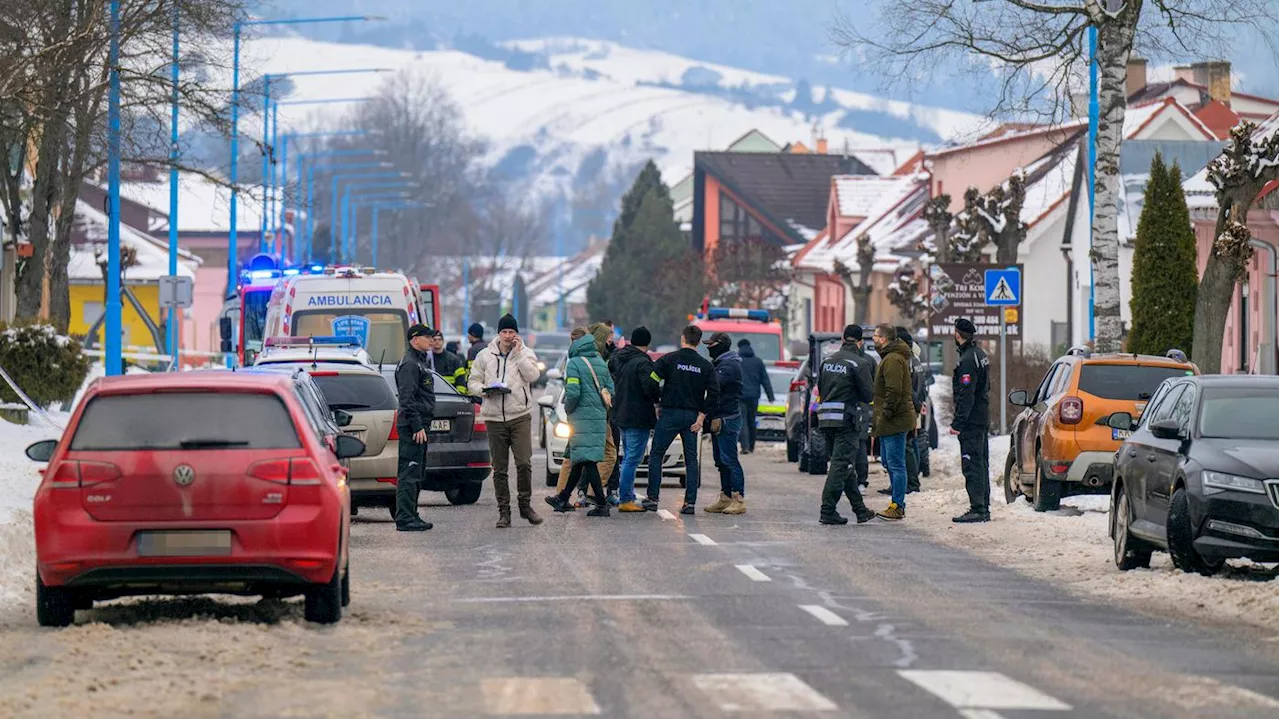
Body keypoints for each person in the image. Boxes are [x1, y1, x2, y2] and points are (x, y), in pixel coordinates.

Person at [468, 313, 543, 529]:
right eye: (504, 332)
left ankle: (525, 505)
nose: (508, 336)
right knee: (499, 468)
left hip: (519, 415)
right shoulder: (485, 355)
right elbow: (472, 381)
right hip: (494, 416)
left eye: (511, 332)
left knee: (524, 462)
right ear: (498, 333)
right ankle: (504, 511)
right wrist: (484, 390)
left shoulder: (526, 353)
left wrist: (518, 356)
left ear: (516, 334)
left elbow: (532, 377)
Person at [644, 325, 720, 515]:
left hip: (669, 413)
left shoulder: (669, 359)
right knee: (691, 461)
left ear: (682, 338)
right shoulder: (705, 366)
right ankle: (689, 504)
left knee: (656, 455)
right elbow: (714, 393)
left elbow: (651, 381)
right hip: (692, 417)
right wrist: (702, 416)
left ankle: (653, 499)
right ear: (698, 341)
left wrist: (656, 402)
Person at [545, 329, 615, 517]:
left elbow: (573, 392)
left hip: (580, 419)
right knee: (580, 459)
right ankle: (563, 498)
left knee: (587, 461)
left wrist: (568, 408)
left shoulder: (574, 363)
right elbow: (611, 389)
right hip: (598, 418)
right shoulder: (600, 361)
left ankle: (601, 504)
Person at [816, 324, 877, 525]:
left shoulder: (827, 361)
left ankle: (860, 510)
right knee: (840, 465)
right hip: (846, 421)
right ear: (860, 342)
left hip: (825, 420)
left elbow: (820, 389)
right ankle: (828, 509)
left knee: (846, 465)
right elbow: (868, 395)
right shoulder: (858, 363)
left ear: (843, 339)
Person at [611, 327, 661, 513]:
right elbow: (650, 388)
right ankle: (626, 499)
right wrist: (659, 397)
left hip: (621, 414)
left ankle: (627, 495)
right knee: (633, 458)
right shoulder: (643, 362)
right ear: (647, 343)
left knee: (627, 458)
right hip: (637, 416)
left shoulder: (620, 358)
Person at [393, 324, 437, 532]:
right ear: (415, 339)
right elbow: (407, 399)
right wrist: (417, 425)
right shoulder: (410, 364)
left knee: (417, 471)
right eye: (427, 337)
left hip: (419, 426)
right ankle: (405, 518)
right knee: (409, 472)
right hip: (413, 427)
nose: (431, 340)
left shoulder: (419, 362)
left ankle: (412, 513)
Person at [871, 324, 916, 521]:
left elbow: (894, 391)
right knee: (889, 462)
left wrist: (886, 414)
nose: (873, 339)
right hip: (890, 419)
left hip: (895, 420)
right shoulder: (889, 357)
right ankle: (895, 503)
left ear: (884, 339)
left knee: (896, 464)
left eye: (875, 335)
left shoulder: (893, 360)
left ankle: (898, 505)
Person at [951, 317, 992, 523]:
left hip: (972, 421)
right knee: (981, 462)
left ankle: (978, 508)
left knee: (972, 464)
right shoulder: (979, 354)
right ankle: (983, 506)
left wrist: (958, 423)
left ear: (958, 335)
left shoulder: (967, 359)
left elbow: (967, 394)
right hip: (981, 417)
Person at [703, 332, 747, 515]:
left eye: (711, 345)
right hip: (719, 417)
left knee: (730, 460)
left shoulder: (728, 365)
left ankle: (738, 499)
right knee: (721, 461)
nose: (708, 349)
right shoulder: (721, 363)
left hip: (727, 418)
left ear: (720, 345)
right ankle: (725, 497)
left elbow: (714, 386)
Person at [881, 327, 925, 496]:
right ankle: (904, 483)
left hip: (905, 408)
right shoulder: (915, 359)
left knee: (905, 448)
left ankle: (910, 483)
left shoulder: (905, 360)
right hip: (912, 407)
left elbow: (904, 387)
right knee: (909, 445)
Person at [736, 338, 775, 454]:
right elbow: (765, 379)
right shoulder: (758, 361)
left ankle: (745, 447)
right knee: (752, 420)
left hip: (740, 396)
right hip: (754, 396)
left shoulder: (737, 361)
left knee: (742, 420)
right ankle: (752, 446)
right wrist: (770, 396)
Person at [430, 329, 468, 394]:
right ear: (431, 342)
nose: (437, 342)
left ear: (443, 341)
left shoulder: (454, 359)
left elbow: (461, 381)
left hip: (450, 396)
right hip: (433, 396)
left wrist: (460, 396)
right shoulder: (427, 359)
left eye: (439, 339)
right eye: (435, 340)